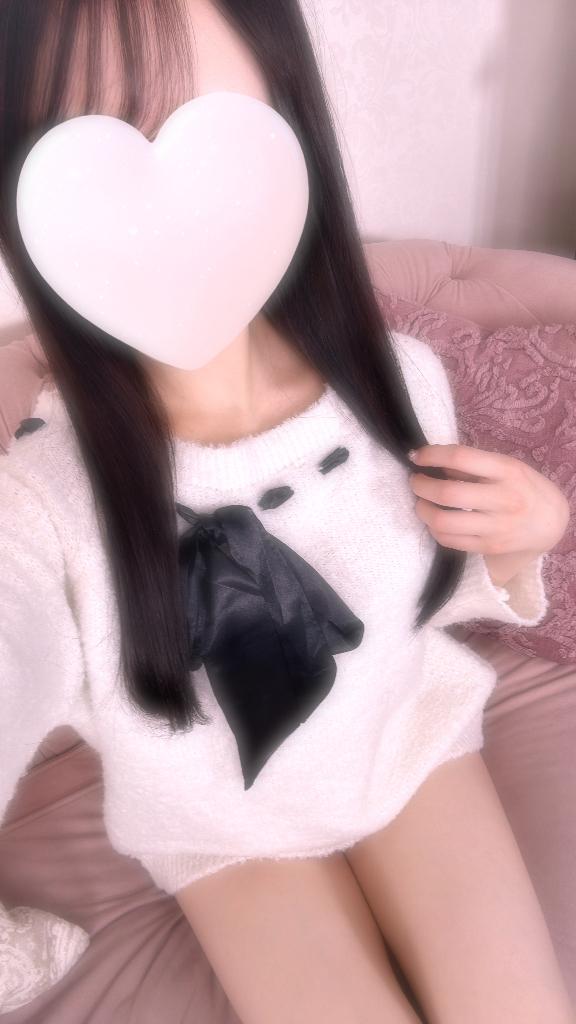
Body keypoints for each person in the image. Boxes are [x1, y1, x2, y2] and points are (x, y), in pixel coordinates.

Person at [0, 1, 573, 1022]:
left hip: (408, 742)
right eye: (92, 144)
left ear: (285, 116)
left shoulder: (400, 378)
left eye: (201, 122)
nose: (162, 196)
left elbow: (430, 594)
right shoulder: (45, 491)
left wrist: (528, 538)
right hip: (217, 828)